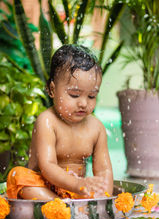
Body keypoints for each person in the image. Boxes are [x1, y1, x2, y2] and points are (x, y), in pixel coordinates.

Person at [7, 44, 113, 200]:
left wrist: (104, 194)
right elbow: (48, 166)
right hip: (43, 187)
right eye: (74, 95)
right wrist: (76, 184)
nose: (83, 103)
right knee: (18, 176)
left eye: (91, 96)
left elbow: (104, 170)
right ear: (52, 90)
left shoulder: (96, 128)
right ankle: (57, 204)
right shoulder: (47, 121)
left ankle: (69, 206)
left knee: (95, 189)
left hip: (75, 192)